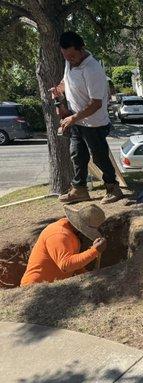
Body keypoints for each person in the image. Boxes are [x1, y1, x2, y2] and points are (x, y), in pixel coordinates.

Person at [50, 31, 123, 204]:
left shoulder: (92, 69)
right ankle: (79, 189)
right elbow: (66, 81)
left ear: (81, 49)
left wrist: (73, 118)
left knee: (99, 157)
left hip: (95, 123)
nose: (69, 59)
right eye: (65, 56)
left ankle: (113, 188)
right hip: (77, 120)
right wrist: (58, 90)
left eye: (72, 55)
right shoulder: (70, 63)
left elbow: (96, 103)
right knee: (77, 155)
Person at [20, 204, 107, 286]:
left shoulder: (72, 233)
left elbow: (73, 261)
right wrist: (94, 251)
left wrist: (85, 274)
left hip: (51, 287)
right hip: (34, 287)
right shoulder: (58, 235)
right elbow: (66, 265)